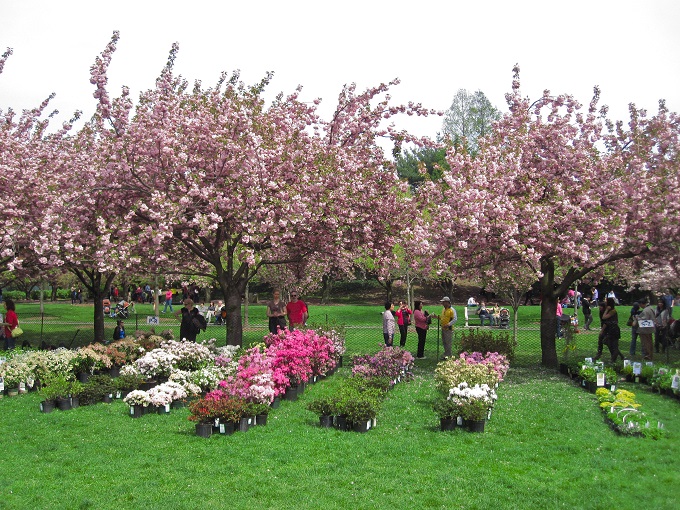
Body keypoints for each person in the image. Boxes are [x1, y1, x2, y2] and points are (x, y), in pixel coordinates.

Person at [599, 297, 624, 363]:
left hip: (614, 329)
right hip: (610, 330)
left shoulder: (613, 311)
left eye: (606, 302)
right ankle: (617, 357)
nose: (605, 303)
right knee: (609, 344)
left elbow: (604, 317)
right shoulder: (609, 310)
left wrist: (607, 310)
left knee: (614, 345)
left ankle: (613, 360)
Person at [637, 297, 657, 361]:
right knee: (650, 342)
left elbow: (644, 319)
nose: (640, 306)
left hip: (645, 329)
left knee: (646, 343)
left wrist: (637, 318)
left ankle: (648, 355)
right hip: (650, 328)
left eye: (640, 305)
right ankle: (650, 355)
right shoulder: (651, 308)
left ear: (642, 304)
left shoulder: (646, 310)